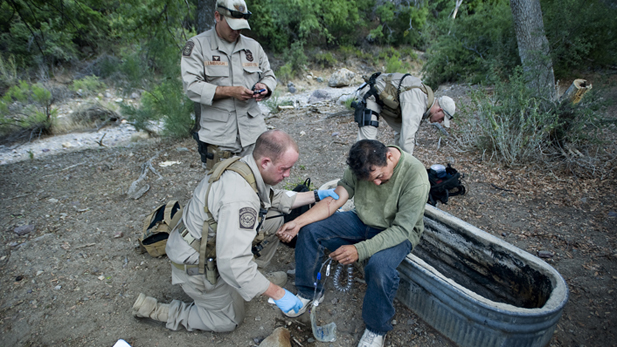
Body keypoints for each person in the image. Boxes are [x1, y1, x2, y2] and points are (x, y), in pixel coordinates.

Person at [132, 130, 339, 332]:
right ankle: (158, 310)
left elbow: (276, 198)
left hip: (207, 240)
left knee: (276, 219)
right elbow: (233, 264)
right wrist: (278, 294)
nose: (288, 175)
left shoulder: (247, 166)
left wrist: (317, 195)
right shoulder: (240, 199)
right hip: (197, 262)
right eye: (284, 169)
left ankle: (253, 278)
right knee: (228, 320)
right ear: (266, 162)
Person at [276, 139, 430, 347]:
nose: (375, 183)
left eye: (379, 176)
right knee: (312, 230)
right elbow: (334, 200)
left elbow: (402, 229)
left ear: (389, 157)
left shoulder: (415, 176)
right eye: (369, 180)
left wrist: (361, 249)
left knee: (379, 266)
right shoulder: (361, 164)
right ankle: (307, 292)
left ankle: (376, 328)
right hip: (362, 220)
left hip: (398, 231)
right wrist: (297, 222)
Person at [181, 0, 276, 169]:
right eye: (232, 25)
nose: (236, 30)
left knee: (257, 189)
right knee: (221, 192)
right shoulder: (197, 46)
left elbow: (269, 76)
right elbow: (192, 87)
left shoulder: (253, 47)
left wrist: (265, 87)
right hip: (219, 138)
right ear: (218, 16)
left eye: (240, 26)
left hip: (253, 136)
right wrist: (230, 91)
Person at [351, 72, 456, 155]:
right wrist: (408, 167)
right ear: (439, 110)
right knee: (366, 144)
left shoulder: (424, 105)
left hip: (381, 100)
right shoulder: (418, 102)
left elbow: (401, 133)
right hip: (371, 95)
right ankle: (354, 175)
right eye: (442, 118)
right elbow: (407, 139)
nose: (440, 122)